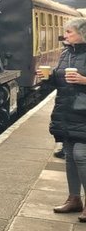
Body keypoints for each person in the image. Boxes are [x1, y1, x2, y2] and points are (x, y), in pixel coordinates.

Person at [45, 17, 86, 218]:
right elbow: (60, 80)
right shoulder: (65, 53)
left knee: (81, 155)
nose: (65, 35)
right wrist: (48, 78)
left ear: (82, 34)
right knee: (70, 155)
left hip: (84, 112)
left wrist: (84, 80)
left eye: (69, 32)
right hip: (67, 110)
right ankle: (74, 199)